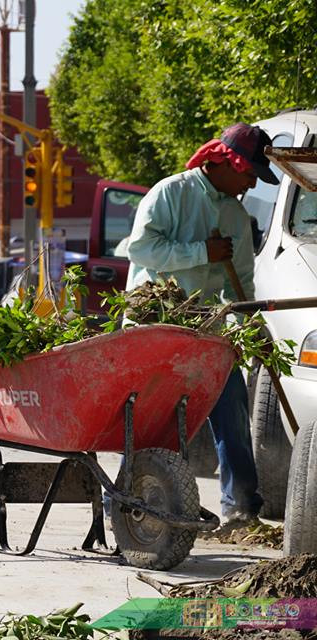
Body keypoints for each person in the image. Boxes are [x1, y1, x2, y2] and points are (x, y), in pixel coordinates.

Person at [124, 122, 280, 525]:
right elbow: (140, 249)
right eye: (248, 175)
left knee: (231, 408)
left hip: (207, 328)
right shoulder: (170, 193)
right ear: (226, 162)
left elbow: (240, 285)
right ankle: (138, 505)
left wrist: (253, 330)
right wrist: (202, 252)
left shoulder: (236, 215)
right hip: (157, 325)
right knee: (154, 423)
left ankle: (241, 509)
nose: (249, 186)